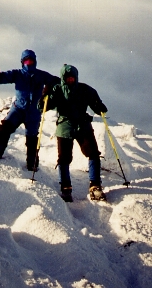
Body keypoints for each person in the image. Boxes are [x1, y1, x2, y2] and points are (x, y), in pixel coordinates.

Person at [39, 64, 108, 202]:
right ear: (63, 79)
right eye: (67, 78)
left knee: (93, 153)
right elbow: (43, 107)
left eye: (72, 78)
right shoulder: (57, 90)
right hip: (65, 126)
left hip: (82, 125)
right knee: (64, 158)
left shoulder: (85, 90)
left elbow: (97, 106)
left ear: (76, 77)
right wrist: (44, 96)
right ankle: (66, 188)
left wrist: (100, 107)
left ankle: (95, 185)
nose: (70, 80)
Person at [0, 49, 59, 171]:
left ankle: (32, 163)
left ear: (35, 61)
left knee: (32, 139)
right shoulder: (17, 74)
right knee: (4, 129)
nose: (29, 62)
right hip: (18, 109)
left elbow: (57, 83)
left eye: (31, 60)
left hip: (34, 112)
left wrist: (49, 88)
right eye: (26, 60)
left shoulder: (42, 75)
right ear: (22, 62)